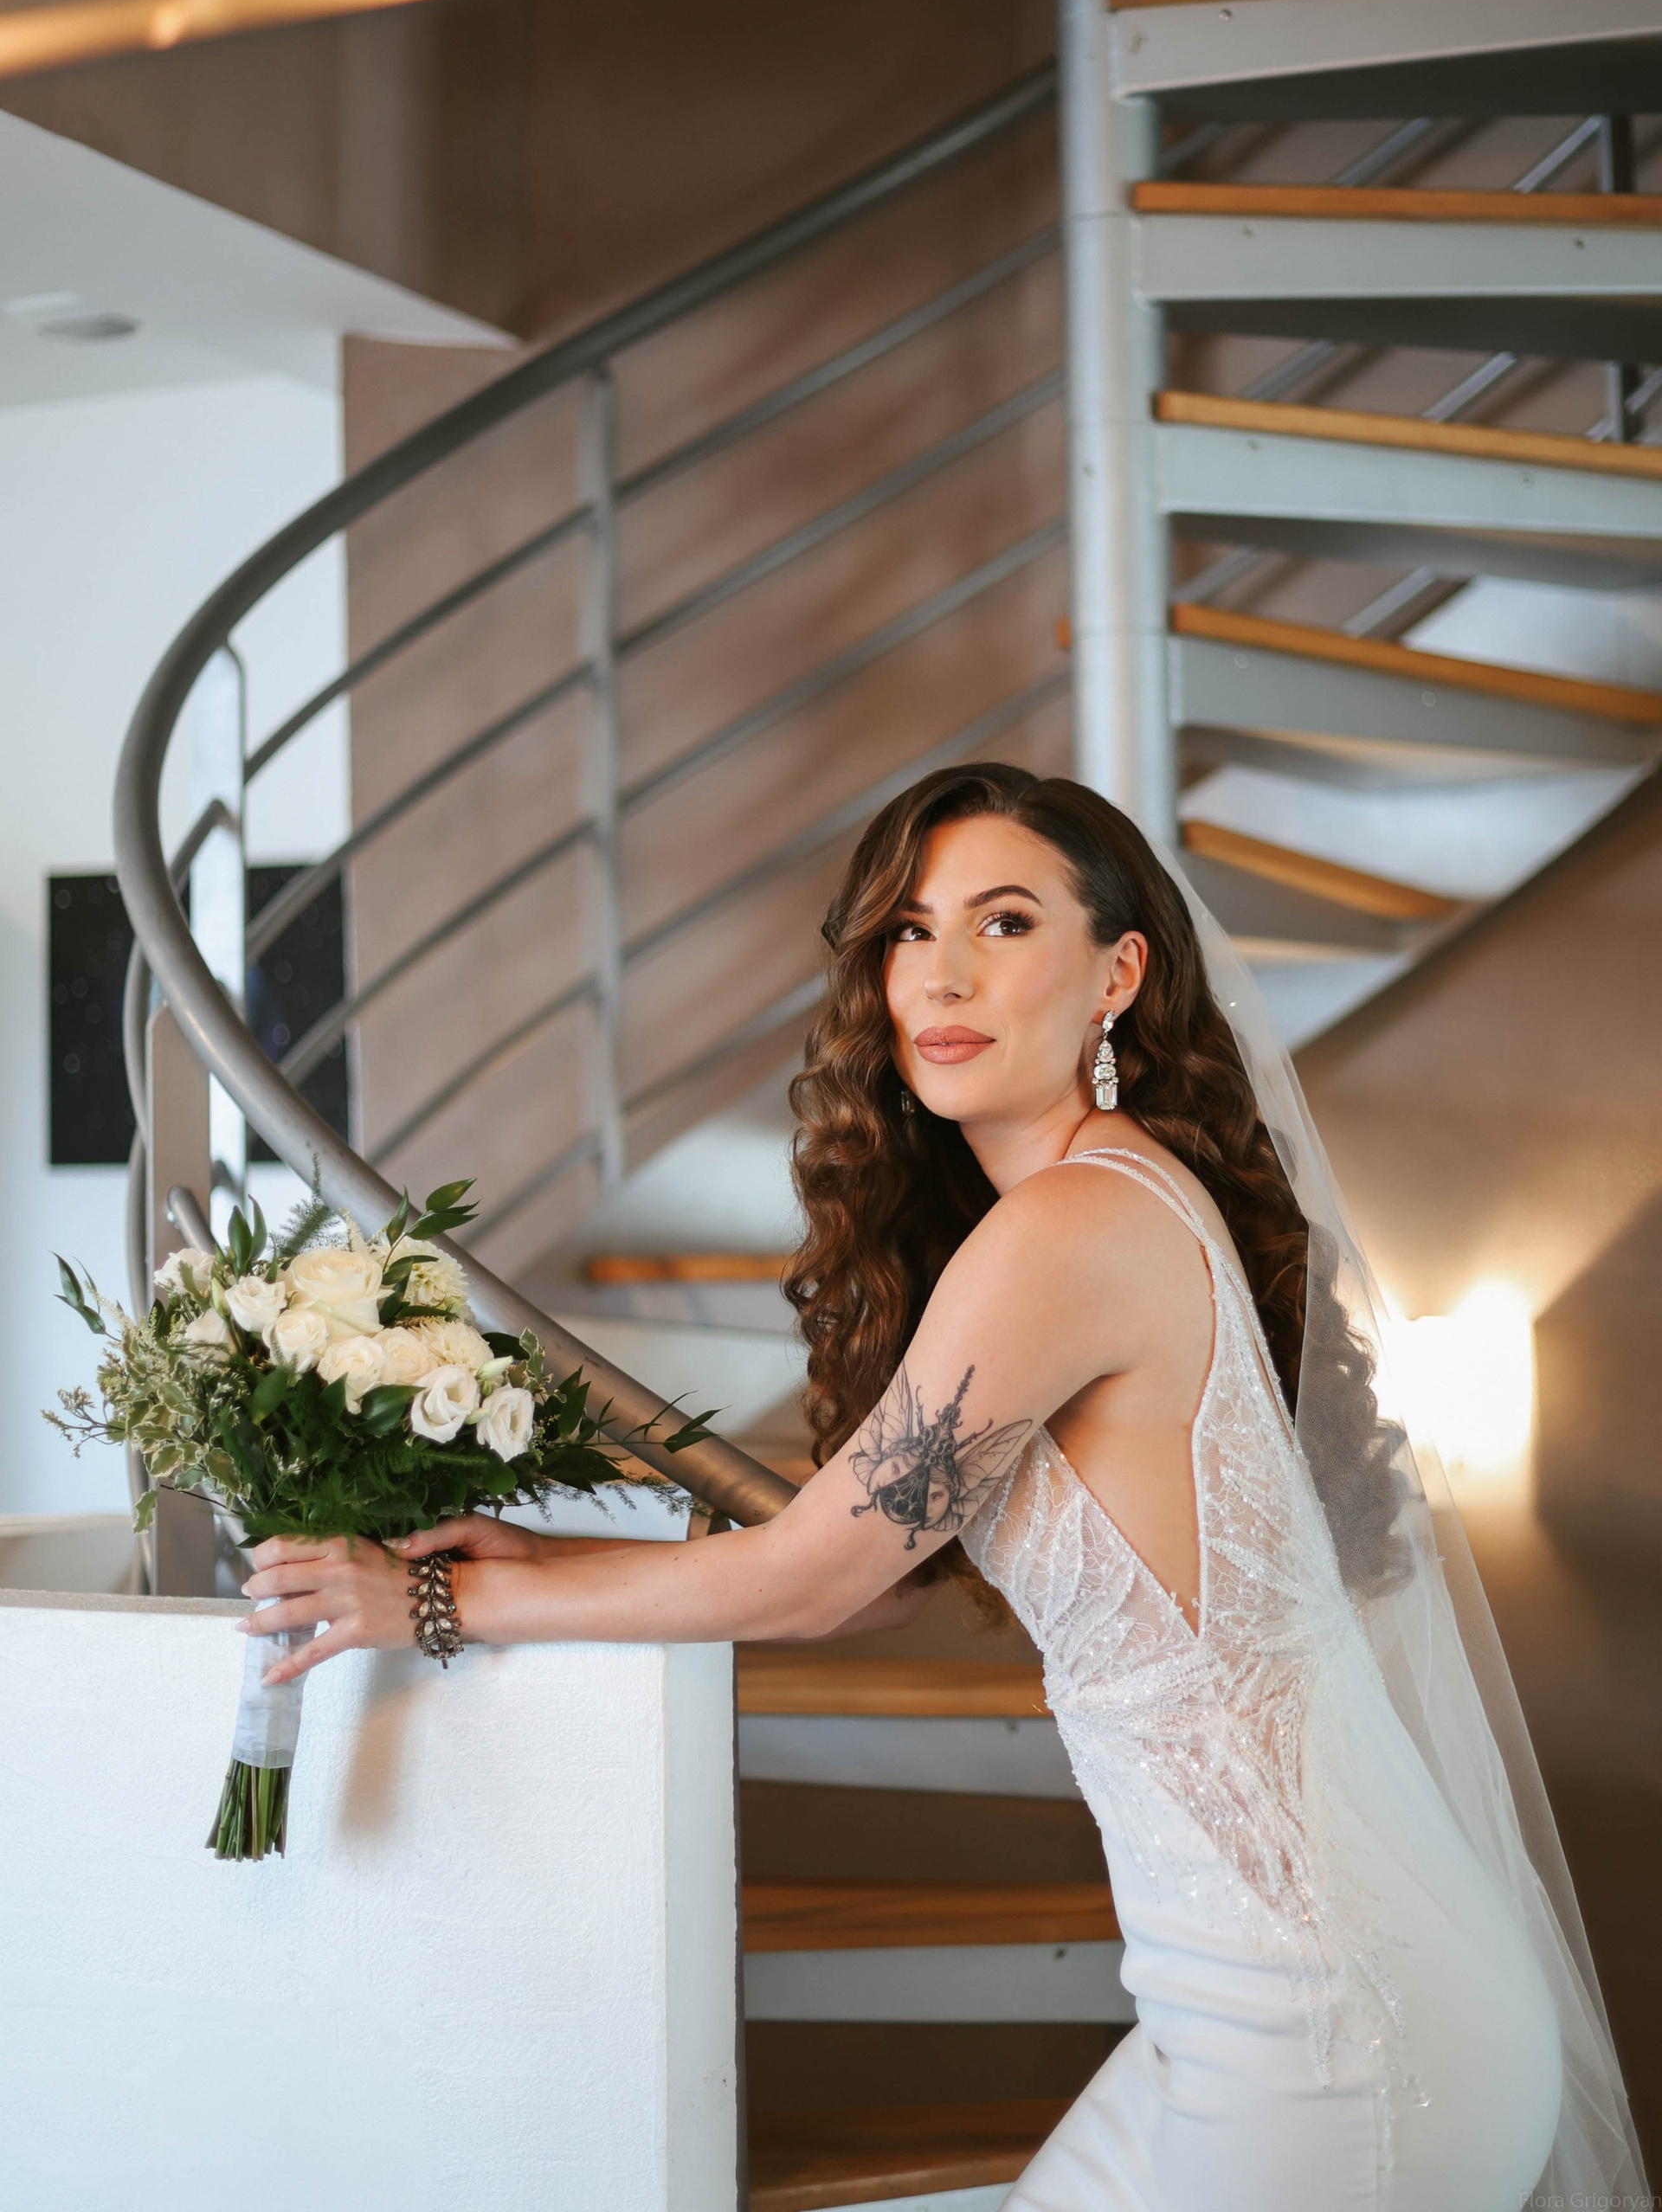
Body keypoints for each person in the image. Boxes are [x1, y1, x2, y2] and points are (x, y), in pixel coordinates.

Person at [243, 764, 1642, 2212]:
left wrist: (436, 1606)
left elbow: (818, 1579)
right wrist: (541, 1561)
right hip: (1267, 2001)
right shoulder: (1091, 1200)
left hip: (1338, 2032)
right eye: (910, 931)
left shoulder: (1074, 1225)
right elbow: (881, 1575)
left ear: (1119, 975)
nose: (943, 974)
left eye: (1004, 922)